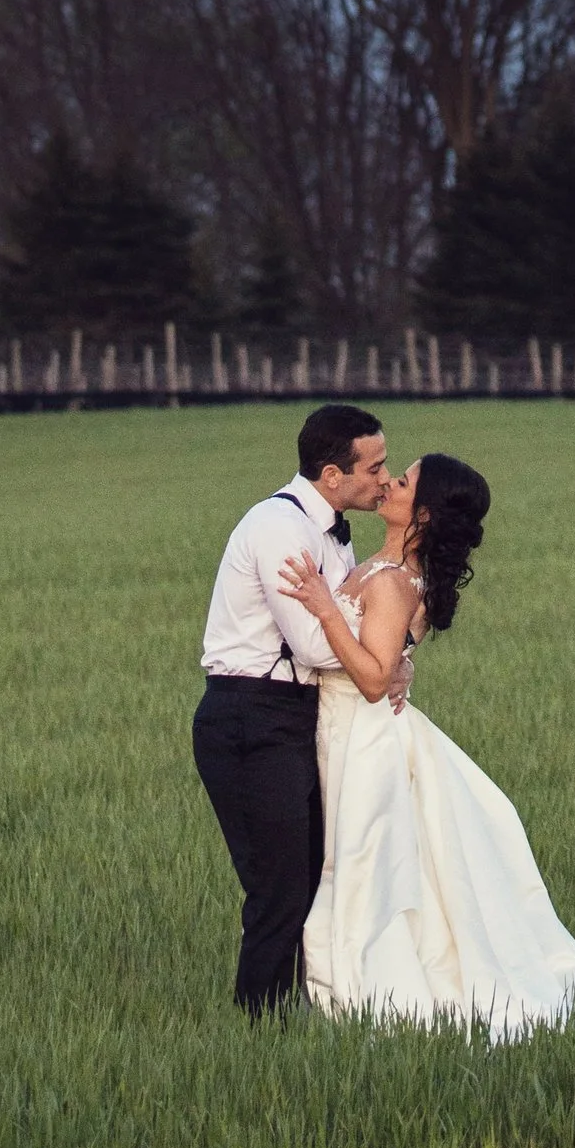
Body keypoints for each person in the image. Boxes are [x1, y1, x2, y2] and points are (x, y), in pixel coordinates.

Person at [278, 450, 575, 1038]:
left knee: (365, 864)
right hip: (346, 730)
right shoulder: (382, 568)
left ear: (422, 515)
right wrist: (400, 658)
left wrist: (325, 610)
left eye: (404, 481)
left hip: (366, 738)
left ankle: (370, 991)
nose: (389, 483)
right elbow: (388, 661)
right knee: (366, 860)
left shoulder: (395, 582)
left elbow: (372, 681)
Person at [192, 401, 390, 1013]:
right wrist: (377, 661)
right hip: (251, 714)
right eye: (374, 467)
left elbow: (335, 628)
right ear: (333, 475)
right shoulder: (278, 526)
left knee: (306, 877)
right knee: (278, 888)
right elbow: (310, 640)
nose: (384, 479)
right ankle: (261, 1028)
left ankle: (296, 1012)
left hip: (296, 715)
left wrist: (384, 656)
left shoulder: (332, 531)